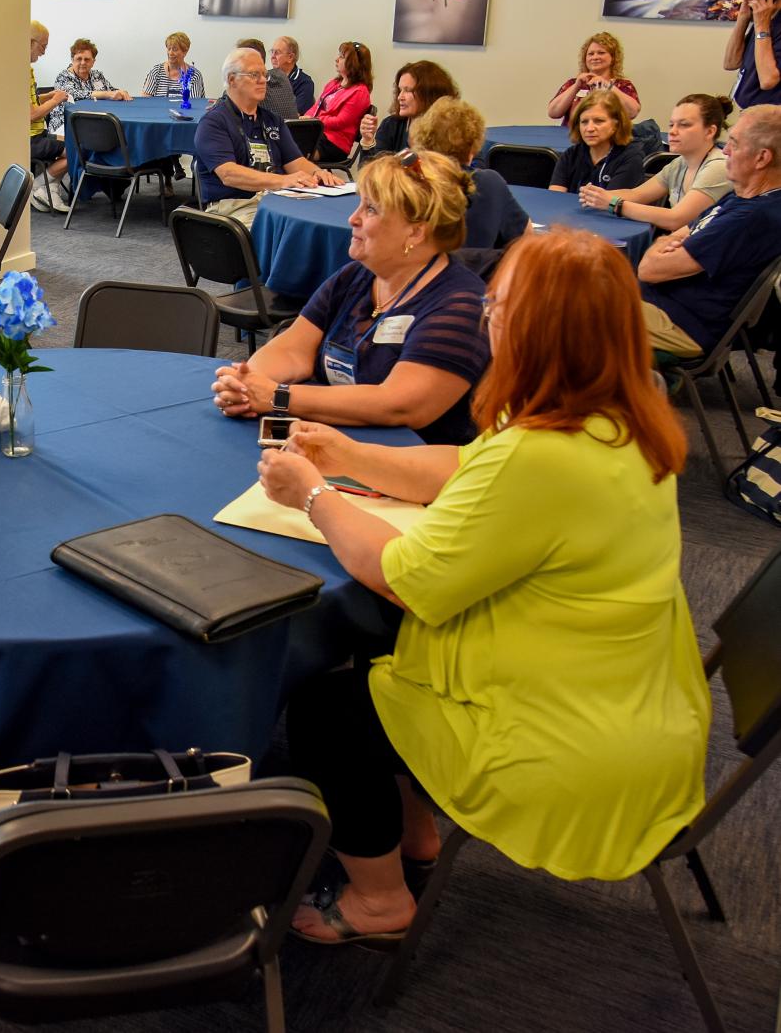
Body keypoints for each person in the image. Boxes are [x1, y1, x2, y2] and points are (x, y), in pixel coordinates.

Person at [262, 228, 706, 946]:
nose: (486, 313)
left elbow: (402, 577)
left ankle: (379, 901)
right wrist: (349, 454)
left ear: (534, 331)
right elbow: (467, 468)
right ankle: (413, 831)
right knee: (378, 659)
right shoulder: (615, 416)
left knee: (328, 706)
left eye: (499, 305)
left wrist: (313, 492)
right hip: (631, 691)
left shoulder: (542, 456)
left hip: (569, 733)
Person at [211, 149, 489, 445]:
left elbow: (397, 404)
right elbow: (292, 350)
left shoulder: (460, 305)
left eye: (371, 209)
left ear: (416, 232)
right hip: (329, 441)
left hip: (402, 464)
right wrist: (246, 383)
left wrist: (277, 396)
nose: (352, 218)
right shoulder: (356, 277)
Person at [637, 104, 781, 358]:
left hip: (680, 324)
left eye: (734, 143)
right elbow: (682, 232)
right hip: (665, 304)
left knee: (562, 308)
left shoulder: (751, 217)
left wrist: (660, 248)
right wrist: (669, 245)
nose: (725, 150)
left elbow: (649, 270)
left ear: (762, 158)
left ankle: (637, 388)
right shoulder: (742, 197)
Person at [192, 48, 343, 227]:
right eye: (254, 74)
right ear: (232, 79)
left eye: (264, 75)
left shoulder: (272, 120)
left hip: (277, 200)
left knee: (320, 224)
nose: (263, 80)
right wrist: (284, 180)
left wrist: (318, 172)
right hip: (234, 208)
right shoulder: (214, 122)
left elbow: (296, 162)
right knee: (288, 233)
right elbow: (229, 174)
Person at [578, 94, 734, 229]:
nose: (672, 131)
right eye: (672, 124)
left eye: (684, 125)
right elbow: (636, 194)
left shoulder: (718, 167)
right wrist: (597, 196)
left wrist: (613, 204)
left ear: (710, 131)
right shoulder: (680, 163)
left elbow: (675, 219)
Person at [410, 98, 530, 250]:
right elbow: (526, 237)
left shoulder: (411, 183)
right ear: (473, 146)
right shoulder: (490, 183)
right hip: (479, 272)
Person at [548, 90, 645, 194]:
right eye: (584, 122)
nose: (589, 128)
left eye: (599, 121)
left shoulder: (630, 158)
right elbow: (555, 197)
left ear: (616, 125)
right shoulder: (570, 155)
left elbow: (610, 203)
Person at [359, 61, 458, 162]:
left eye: (407, 90)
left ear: (428, 93)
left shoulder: (450, 130)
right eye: (400, 90)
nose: (399, 97)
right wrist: (368, 141)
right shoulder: (391, 125)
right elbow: (368, 173)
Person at [724, 0, 781, 109]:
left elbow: (768, 80)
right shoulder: (765, 17)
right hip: (748, 113)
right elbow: (730, 63)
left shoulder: (764, 22)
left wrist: (762, 26)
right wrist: (742, 19)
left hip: (771, 120)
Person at [547, 32, 640, 126]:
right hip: (570, 137)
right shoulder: (572, 83)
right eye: (591, 54)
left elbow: (632, 113)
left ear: (613, 58)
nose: (595, 57)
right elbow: (553, 113)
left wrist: (608, 86)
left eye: (601, 53)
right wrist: (576, 87)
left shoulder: (622, 85)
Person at [29, 20, 72, 213]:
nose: (44, 52)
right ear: (30, 42)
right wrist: (55, 101)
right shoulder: (19, 71)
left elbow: (26, 103)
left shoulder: (26, 69)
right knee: (77, 151)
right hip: (30, 139)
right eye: (42, 46)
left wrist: (45, 97)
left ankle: (48, 187)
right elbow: (31, 114)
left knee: (74, 141)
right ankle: (40, 186)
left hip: (39, 134)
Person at [306, 42, 373, 163]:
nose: (336, 59)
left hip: (334, 144)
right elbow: (316, 107)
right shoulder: (334, 83)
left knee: (292, 153)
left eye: (342, 57)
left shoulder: (360, 92)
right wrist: (305, 118)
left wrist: (314, 120)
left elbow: (340, 121)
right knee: (284, 139)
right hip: (318, 134)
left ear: (354, 63)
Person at [49, 38, 131, 133]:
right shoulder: (63, 77)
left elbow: (110, 90)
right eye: (79, 59)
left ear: (93, 62)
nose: (83, 62)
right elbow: (74, 94)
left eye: (87, 59)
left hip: (94, 123)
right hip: (65, 127)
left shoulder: (97, 75)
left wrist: (120, 92)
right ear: (72, 60)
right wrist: (107, 94)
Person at [236, 37, 297, 121]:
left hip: (266, 133)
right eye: (272, 52)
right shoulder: (282, 76)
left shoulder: (249, 85)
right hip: (292, 133)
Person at [141, 31, 206, 100]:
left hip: (184, 111)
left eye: (175, 49)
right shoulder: (156, 71)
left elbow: (195, 103)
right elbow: (145, 100)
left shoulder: (194, 75)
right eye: (169, 49)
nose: (170, 53)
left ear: (185, 52)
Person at [270, 35, 314, 117]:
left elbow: (294, 114)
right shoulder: (266, 77)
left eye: (277, 52)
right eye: (272, 51)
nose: (272, 56)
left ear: (290, 57)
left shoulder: (304, 83)